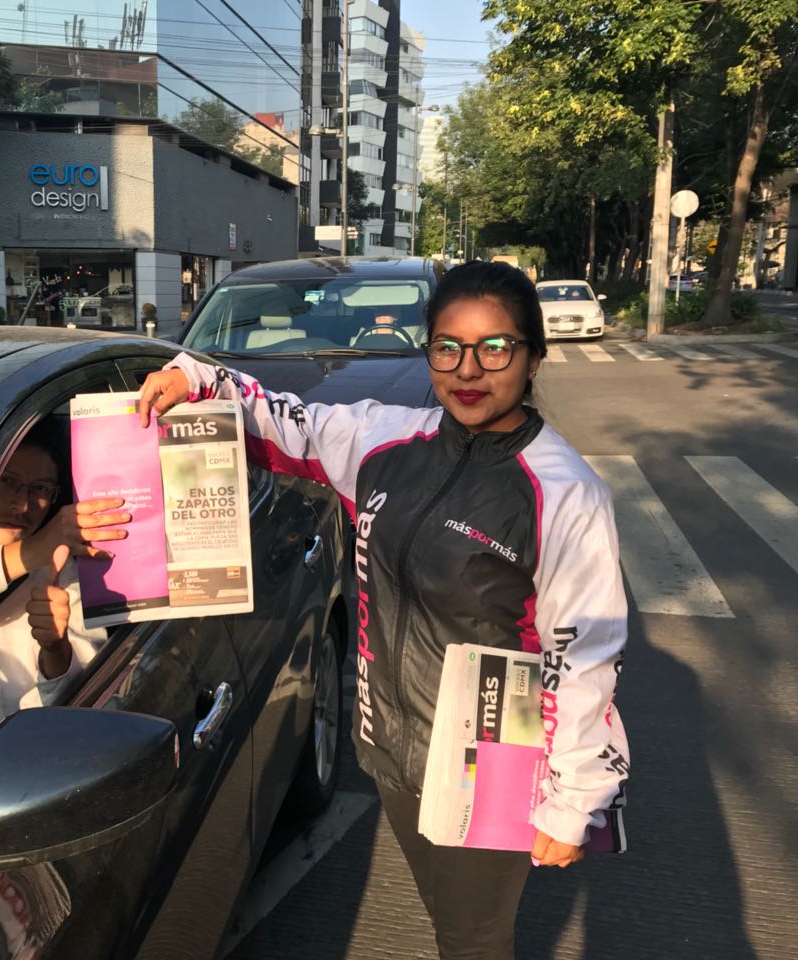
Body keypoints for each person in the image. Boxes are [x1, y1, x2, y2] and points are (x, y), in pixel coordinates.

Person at [138, 261, 629, 959]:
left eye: (495, 348)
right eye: (447, 347)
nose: (468, 369)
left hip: (491, 760)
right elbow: (290, 424)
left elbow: (584, 657)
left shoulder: (566, 491)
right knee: (443, 915)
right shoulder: (386, 438)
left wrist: (574, 799)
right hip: (390, 747)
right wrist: (199, 382)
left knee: (473, 940)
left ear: (533, 357)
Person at [0, 419, 130, 772]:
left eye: (39, 488)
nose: (22, 505)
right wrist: (31, 551)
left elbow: (84, 712)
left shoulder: (61, 578)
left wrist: (55, 650)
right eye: (6, 481)